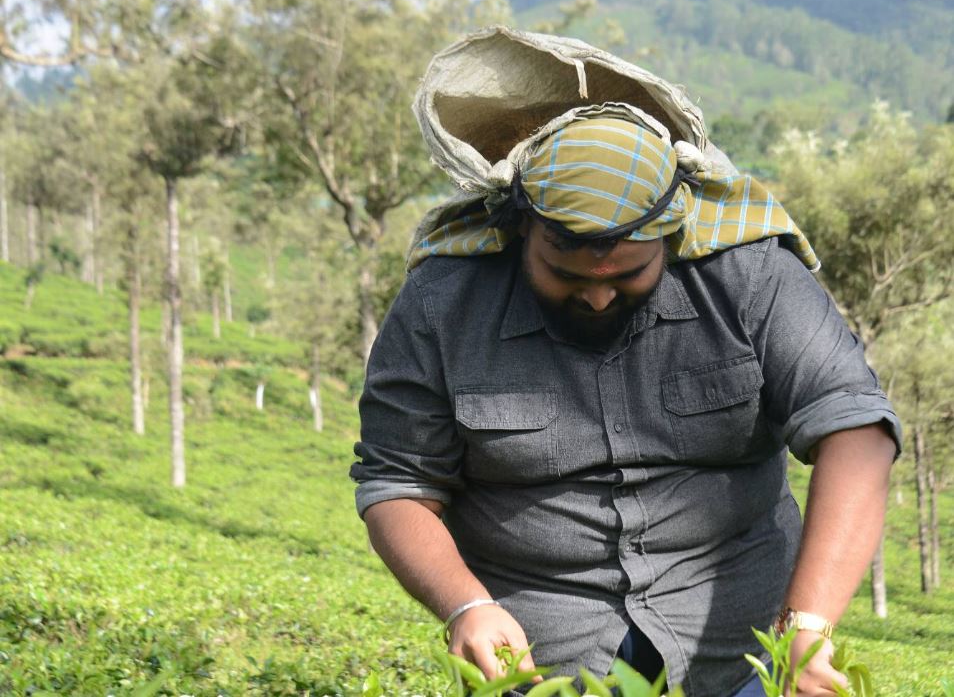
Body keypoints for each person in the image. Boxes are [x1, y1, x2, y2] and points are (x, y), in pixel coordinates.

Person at [350, 108, 900, 697]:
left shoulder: (751, 276)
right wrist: (465, 606)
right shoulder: (442, 304)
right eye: (565, 275)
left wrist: (809, 627)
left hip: (743, 653)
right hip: (540, 660)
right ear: (522, 233)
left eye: (628, 274)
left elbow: (856, 429)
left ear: (670, 233)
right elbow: (398, 485)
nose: (596, 296)